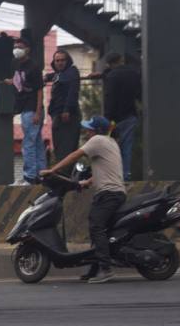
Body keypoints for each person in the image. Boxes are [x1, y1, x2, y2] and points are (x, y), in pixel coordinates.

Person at [41, 115, 126, 284]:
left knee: (96, 226)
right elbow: (107, 169)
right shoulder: (111, 143)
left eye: (89, 129)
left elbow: (74, 156)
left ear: (96, 131)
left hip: (108, 194)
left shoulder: (98, 141)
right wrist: (87, 182)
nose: (86, 131)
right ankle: (95, 269)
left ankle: (106, 269)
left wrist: (53, 170)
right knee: (100, 230)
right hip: (115, 192)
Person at [6, 38, 45, 185]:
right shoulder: (18, 65)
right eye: (15, 47)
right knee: (37, 143)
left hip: (32, 109)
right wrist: (11, 81)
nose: (16, 49)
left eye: (20, 47)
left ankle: (30, 176)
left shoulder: (33, 67)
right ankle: (42, 174)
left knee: (28, 143)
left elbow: (40, 89)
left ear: (27, 49)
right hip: (26, 108)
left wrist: (37, 111)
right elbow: (21, 81)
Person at [101, 52, 141, 181]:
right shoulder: (134, 73)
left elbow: (110, 98)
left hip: (115, 119)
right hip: (130, 115)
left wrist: (107, 117)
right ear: (121, 60)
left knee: (112, 148)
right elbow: (139, 94)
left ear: (109, 63)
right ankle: (125, 175)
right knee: (126, 147)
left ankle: (114, 176)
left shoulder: (112, 76)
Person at [46, 49, 82, 175]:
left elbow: (73, 92)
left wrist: (67, 110)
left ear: (67, 61)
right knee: (59, 147)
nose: (60, 63)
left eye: (62, 60)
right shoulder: (58, 74)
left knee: (68, 147)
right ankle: (62, 173)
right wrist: (46, 77)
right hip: (57, 115)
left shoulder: (72, 72)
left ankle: (65, 174)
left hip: (68, 115)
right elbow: (54, 76)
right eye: (57, 60)